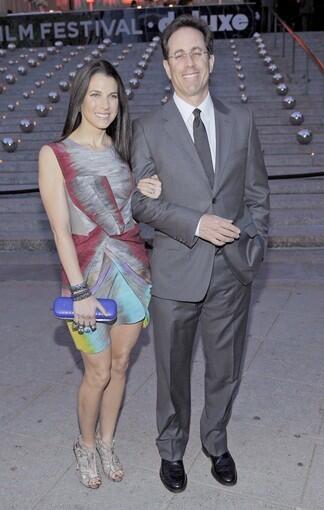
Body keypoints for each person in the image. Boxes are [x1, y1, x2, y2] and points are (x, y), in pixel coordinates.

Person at [131, 14, 270, 493]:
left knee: (225, 368)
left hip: (232, 270)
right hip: (174, 274)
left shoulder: (242, 119)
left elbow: (257, 191)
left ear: (210, 61)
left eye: (196, 52)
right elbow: (141, 202)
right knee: (171, 372)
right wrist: (195, 223)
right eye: (178, 55)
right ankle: (172, 450)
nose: (188, 62)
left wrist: (257, 243)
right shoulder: (147, 127)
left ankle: (215, 440)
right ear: (167, 69)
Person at [38, 59, 161, 490]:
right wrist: (79, 291)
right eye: (96, 94)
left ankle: (108, 442)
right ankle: (86, 445)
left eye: (112, 96)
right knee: (98, 372)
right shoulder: (54, 154)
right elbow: (59, 229)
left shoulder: (124, 151)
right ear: (79, 98)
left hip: (133, 272)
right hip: (88, 277)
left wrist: (147, 191)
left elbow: (129, 214)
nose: (105, 104)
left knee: (122, 364)